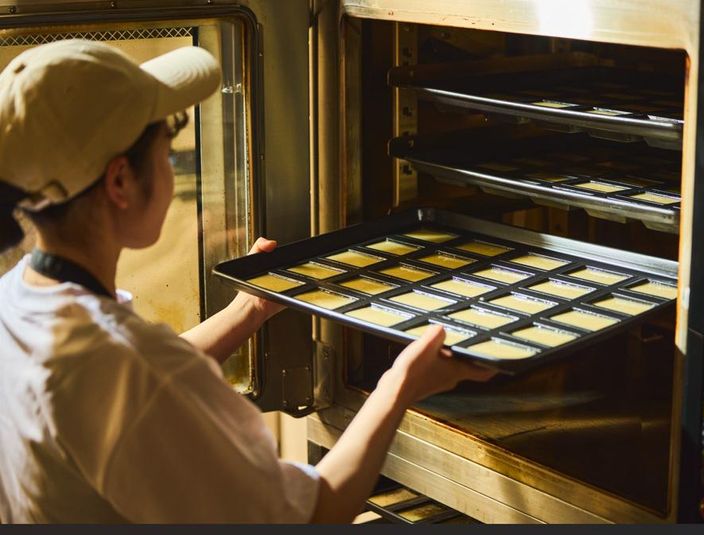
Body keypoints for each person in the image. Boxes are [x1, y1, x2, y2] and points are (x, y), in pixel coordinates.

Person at [0, 39, 495, 523]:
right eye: (167, 151)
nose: (172, 171)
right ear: (120, 182)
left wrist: (249, 309)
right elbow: (317, 513)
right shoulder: (127, 374)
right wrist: (401, 383)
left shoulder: (17, 300)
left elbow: (127, 390)